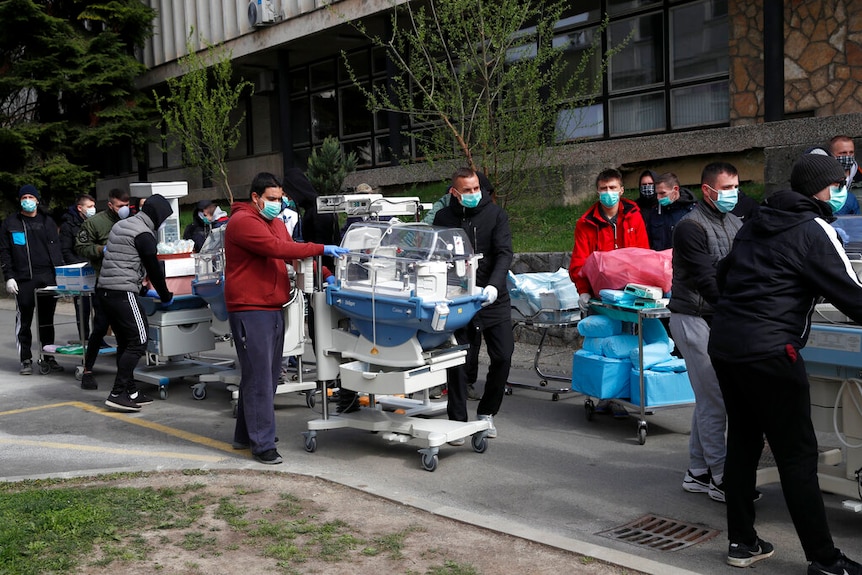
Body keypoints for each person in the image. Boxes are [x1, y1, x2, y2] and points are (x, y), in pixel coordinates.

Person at [707, 153, 862, 574]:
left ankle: (742, 542)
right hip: (772, 351)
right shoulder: (816, 230)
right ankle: (825, 561)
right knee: (797, 456)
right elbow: (854, 295)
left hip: (726, 345)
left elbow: (724, 276)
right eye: (839, 184)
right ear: (822, 190)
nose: (843, 191)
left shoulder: (757, 220)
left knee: (743, 442)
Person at [224, 171, 348, 464]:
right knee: (259, 377)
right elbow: (277, 249)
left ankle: (246, 435)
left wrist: (327, 275)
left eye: (280, 199)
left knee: (263, 375)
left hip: (272, 306)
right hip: (250, 308)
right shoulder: (242, 222)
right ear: (256, 198)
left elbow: (293, 255)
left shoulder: (275, 222)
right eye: (272, 199)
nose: (277, 204)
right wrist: (321, 248)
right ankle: (263, 444)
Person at [668, 161, 743, 503]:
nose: (732, 194)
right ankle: (721, 476)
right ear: (708, 190)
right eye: (726, 188)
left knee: (707, 398)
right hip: (693, 317)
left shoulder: (735, 222)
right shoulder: (689, 227)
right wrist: (735, 308)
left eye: (735, 187)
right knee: (716, 399)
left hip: (719, 319)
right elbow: (705, 277)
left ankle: (697, 472)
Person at [433, 168, 512, 442]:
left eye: (476, 188)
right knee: (457, 361)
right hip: (459, 299)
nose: (473, 194)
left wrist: (493, 286)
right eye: (467, 191)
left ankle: (487, 412)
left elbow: (504, 253)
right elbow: (437, 255)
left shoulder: (496, 215)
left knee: (502, 356)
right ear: (454, 193)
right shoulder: (444, 219)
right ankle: (456, 420)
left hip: (493, 298)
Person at [96, 194, 174, 412]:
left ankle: (130, 390)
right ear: (158, 215)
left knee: (125, 342)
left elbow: (121, 259)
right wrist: (165, 295)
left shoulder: (122, 225)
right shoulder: (144, 234)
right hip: (123, 292)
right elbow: (154, 270)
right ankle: (117, 392)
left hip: (105, 291)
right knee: (139, 341)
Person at [0, 184, 65, 375]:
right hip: (24, 278)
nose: (27, 200)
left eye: (31, 196)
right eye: (24, 197)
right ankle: (26, 359)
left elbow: (57, 249)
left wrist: (60, 274)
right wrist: (9, 276)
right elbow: (4, 252)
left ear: (37, 200)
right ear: (20, 200)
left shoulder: (48, 221)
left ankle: (48, 356)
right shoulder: (11, 223)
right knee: (25, 319)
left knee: (47, 320)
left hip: (48, 276)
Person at [75, 187, 131, 390]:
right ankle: (88, 370)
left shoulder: (131, 221)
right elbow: (80, 246)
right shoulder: (95, 223)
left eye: (127, 206)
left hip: (127, 281)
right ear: (110, 205)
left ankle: (123, 375)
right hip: (104, 282)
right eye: (120, 206)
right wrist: (101, 250)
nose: (124, 210)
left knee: (124, 331)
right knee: (100, 327)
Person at [59, 193, 96, 342]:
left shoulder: (94, 222)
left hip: (95, 269)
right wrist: (78, 266)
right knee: (83, 308)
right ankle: (84, 338)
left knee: (99, 307)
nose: (93, 209)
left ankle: (98, 337)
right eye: (90, 207)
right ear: (80, 208)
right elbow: (65, 250)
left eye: (94, 206)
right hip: (79, 271)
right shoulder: (68, 225)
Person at [645, 172, 696, 251]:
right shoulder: (655, 212)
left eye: (662, 193)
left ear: (675, 189)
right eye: (657, 194)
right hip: (659, 259)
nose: (658, 198)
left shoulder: (692, 211)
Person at [828, 135, 862, 214]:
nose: (848, 156)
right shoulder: (823, 182)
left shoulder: (860, 178)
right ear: (831, 155)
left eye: (851, 152)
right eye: (843, 153)